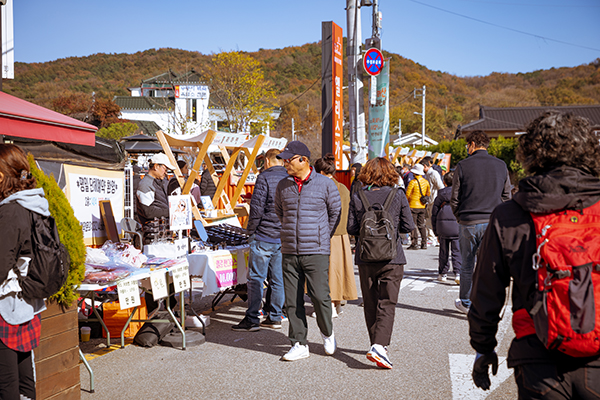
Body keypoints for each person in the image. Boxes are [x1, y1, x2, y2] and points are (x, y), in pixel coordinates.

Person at [468, 111, 600, 398]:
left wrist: (483, 347)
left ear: (532, 153)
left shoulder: (511, 214)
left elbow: (487, 289)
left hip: (537, 353)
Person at [274, 141, 341, 361]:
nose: (285, 163)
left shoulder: (325, 184)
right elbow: (280, 212)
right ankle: (299, 343)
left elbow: (335, 213)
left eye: (289, 159)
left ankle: (327, 333)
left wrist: (321, 235)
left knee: (320, 296)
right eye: (284, 159)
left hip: (316, 250)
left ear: (303, 159)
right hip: (290, 249)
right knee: (292, 299)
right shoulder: (283, 185)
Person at [347, 157, 414, 369]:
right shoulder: (398, 195)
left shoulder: (358, 196)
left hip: (366, 257)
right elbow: (408, 226)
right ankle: (379, 346)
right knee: (387, 302)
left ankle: (376, 344)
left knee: (370, 302)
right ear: (391, 173)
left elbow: (351, 228)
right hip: (392, 257)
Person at [0, 144, 47, 400]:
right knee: (24, 373)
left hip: (6, 306)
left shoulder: (9, 211)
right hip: (29, 300)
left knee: (6, 382)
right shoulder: (36, 203)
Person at [450, 130, 511, 313]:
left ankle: (466, 303)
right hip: (492, 222)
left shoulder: (462, 166)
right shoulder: (501, 165)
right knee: (490, 264)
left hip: (468, 222)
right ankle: (489, 302)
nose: (467, 148)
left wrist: (460, 217)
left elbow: (455, 198)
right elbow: (507, 196)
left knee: (467, 264)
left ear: (473, 144)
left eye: (467, 145)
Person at [232, 149, 289, 331]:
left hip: (264, 234)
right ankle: (275, 316)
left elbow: (256, 209)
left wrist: (250, 230)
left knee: (256, 278)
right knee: (278, 279)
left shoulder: (264, 178)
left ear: (267, 161)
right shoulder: (290, 177)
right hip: (282, 236)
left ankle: (252, 319)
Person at [314, 154, 358, 318]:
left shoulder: (320, 187)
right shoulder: (343, 188)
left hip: (326, 234)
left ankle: (329, 306)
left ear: (320, 172)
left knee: (327, 270)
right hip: (342, 235)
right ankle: (338, 303)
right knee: (339, 270)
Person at [431, 171, 461, 283]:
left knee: (443, 251)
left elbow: (434, 213)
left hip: (442, 226)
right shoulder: (461, 194)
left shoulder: (441, 194)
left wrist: (436, 232)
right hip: (457, 225)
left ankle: (442, 273)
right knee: (457, 251)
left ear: (444, 182)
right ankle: (458, 273)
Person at [136, 152, 174, 226]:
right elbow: (149, 212)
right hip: (152, 231)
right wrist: (172, 211)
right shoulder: (146, 184)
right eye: (165, 169)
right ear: (156, 166)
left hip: (161, 229)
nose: (166, 173)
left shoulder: (160, 182)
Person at [405, 163, 431, 250]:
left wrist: (407, 204)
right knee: (421, 224)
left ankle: (414, 243)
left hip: (413, 205)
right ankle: (424, 243)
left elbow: (407, 194)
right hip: (422, 206)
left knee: (413, 225)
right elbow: (428, 193)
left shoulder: (413, 182)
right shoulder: (426, 182)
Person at [420, 156, 444, 247]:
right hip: (429, 200)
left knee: (431, 219)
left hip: (434, 200)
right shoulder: (427, 174)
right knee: (429, 219)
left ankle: (432, 238)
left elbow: (440, 187)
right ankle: (432, 238)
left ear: (425, 166)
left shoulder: (433, 173)